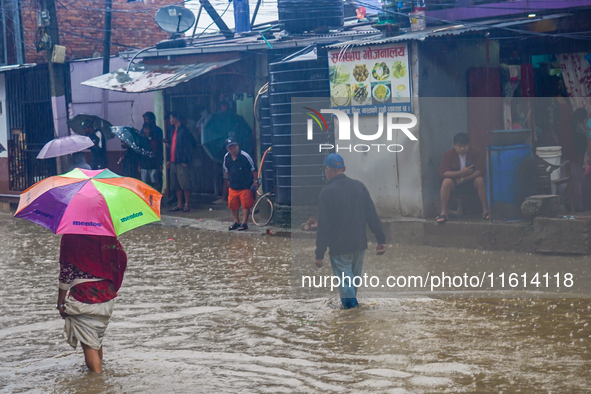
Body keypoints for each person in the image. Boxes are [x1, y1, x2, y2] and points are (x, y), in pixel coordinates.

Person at [314, 153, 387, 309]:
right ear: (344, 169)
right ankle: (352, 312)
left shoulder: (327, 193)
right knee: (352, 283)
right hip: (359, 246)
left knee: (346, 284)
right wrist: (381, 239)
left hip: (339, 248)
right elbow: (372, 215)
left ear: (327, 170)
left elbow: (324, 227)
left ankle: (352, 315)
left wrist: (319, 253)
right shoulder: (359, 187)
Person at [57, 234, 127, 373]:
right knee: (96, 341)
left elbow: (66, 273)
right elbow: (121, 258)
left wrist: (60, 302)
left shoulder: (70, 236)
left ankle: (97, 384)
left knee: (89, 345)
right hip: (106, 295)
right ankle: (99, 375)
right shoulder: (107, 235)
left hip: (84, 296)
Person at [437, 132, 488, 223]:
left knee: (480, 180)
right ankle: (443, 213)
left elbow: (481, 170)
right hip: (455, 183)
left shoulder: (475, 153)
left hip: (471, 183)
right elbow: (444, 173)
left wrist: (464, 179)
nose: (462, 148)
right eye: (459, 146)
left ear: (469, 145)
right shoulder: (448, 154)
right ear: (454, 146)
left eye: (465, 146)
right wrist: (461, 173)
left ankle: (485, 211)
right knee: (446, 182)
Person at [223, 137, 257, 231]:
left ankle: (244, 222)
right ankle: (236, 221)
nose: (233, 150)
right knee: (233, 204)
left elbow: (253, 169)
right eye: (230, 148)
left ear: (237, 146)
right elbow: (226, 170)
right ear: (228, 149)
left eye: (234, 147)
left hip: (245, 185)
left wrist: (255, 181)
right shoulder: (227, 157)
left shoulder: (245, 156)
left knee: (245, 205)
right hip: (233, 186)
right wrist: (228, 180)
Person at [166, 112, 196, 213]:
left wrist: (186, 160)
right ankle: (180, 204)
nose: (170, 120)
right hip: (173, 160)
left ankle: (187, 204)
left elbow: (189, 146)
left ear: (175, 118)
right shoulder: (172, 130)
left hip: (181, 161)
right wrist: (169, 160)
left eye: (171, 118)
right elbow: (173, 145)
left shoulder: (185, 131)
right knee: (176, 184)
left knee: (185, 183)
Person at [140, 123, 163, 192]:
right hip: (144, 165)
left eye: (149, 129)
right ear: (143, 130)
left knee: (155, 184)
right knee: (145, 185)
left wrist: (160, 163)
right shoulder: (141, 139)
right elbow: (139, 153)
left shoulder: (156, 139)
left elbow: (160, 152)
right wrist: (139, 164)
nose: (147, 131)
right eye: (146, 129)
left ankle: (155, 200)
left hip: (154, 165)